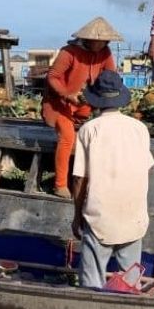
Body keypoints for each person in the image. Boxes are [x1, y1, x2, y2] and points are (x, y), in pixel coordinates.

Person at [70, 70, 154, 289]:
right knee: (131, 282)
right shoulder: (139, 129)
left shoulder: (89, 130)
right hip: (133, 217)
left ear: (95, 100)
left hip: (100, 218)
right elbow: (148, 169)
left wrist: (77, 216)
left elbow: (80, 179)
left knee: (91, 283)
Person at [42, 17, 122, 200]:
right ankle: (60, 184)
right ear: (88, 39)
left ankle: (95, 183)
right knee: (67, 138)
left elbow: (110, 76)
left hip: (84, 104)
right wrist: (66, 95)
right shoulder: (68, 53)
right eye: (98, 41)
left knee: (93, 136)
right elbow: (52, 77)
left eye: (104, 42)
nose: (101, 44)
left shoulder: (105, 53)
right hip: (59, 104)